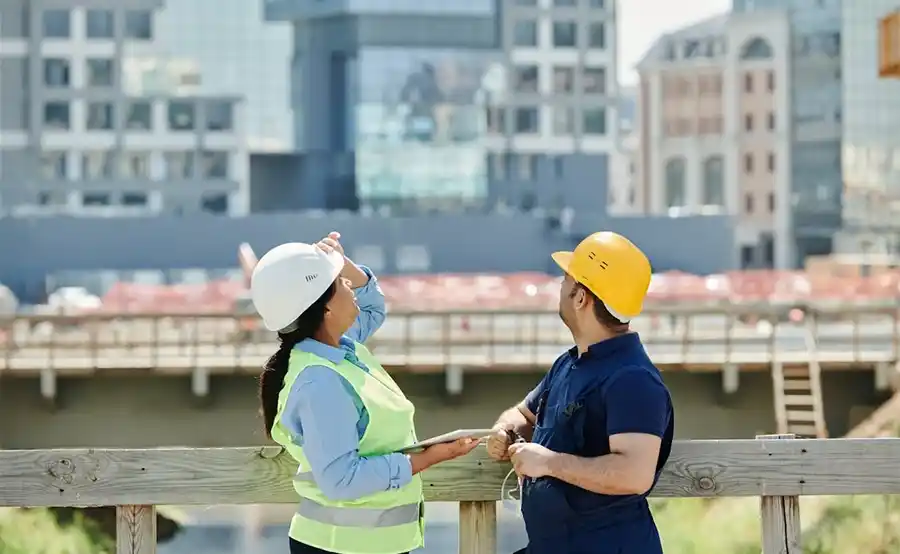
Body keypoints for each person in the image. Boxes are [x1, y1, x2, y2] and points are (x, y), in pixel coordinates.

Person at [251, 232, 480, 554]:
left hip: (368, 545)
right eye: (340, 283)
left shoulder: (341, 350)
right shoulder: (320, 380)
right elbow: (341, 479)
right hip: (340, 547)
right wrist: (431, 457)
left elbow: (372, 306)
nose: (349, 285)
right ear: (325, 309)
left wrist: (341, 264)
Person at [486, 231, 675, 554]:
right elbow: (522, 414)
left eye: (566, 279)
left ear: (581, 297)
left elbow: (634, 473)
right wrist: (506, 431)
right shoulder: (569, 363)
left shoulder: (633, 379)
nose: (560, 287)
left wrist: (547, 463)